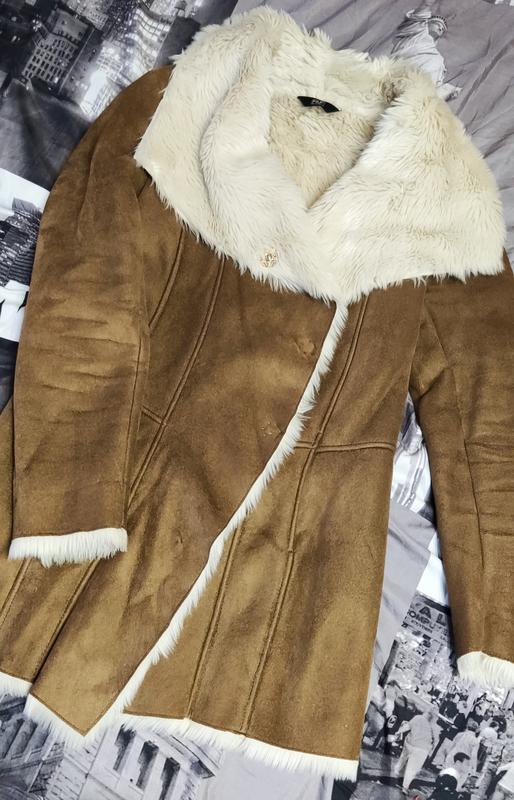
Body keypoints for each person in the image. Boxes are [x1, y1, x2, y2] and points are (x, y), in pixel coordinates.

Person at [397, 707, 439, 792]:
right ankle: (405, 787)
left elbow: (407, 727)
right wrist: (430, 751)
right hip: (422, 749)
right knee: (412, 768)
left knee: (403, 758)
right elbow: (436, 741)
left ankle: (397, 774)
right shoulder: (434, 727)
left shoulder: (417, 718)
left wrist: (398, 732)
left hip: (409, 744)